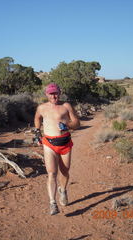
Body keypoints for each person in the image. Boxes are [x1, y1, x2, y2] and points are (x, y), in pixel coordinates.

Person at [34, 83, 80, 215]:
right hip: (49, 144)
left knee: (65, 172)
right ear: (46, 94)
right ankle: (52, 203)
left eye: (56, 93)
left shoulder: (66, 106)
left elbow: (77, 123)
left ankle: (63, 190)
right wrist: (37, 133)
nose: (53, 96)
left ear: (59, 93)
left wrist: (68, 125)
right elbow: (37, 118)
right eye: (51, 93)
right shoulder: (41, 108)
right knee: (52, 173)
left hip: (65, 143)